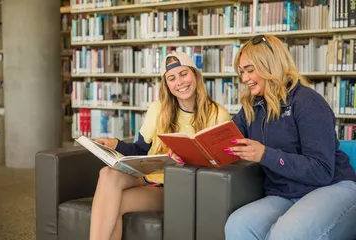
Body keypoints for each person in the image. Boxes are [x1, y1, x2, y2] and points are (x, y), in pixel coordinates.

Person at [224, 35, 356, 240]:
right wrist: (193, 150)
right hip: (284, 193)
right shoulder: (251, 107)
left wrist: (265, 154)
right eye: (242, 72)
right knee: (238, 225)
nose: (244, 79)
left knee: (287, 234)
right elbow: (227, 141)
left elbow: (322, 171)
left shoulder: (308, 102)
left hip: (331, 187)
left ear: (271, 65)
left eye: (250, 70)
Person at [90, 51, 230, 240]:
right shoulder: (158, 109)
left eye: (183, 74)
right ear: (167, 85)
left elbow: (222, 166)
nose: (179, 82)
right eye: (171, 78)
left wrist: (185, 160)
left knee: (112, 205)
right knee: (107, 173)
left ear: (195, 75)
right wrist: (116, 144)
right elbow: (140, 150)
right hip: (147, 176)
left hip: (175, 188)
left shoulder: (218, 114)